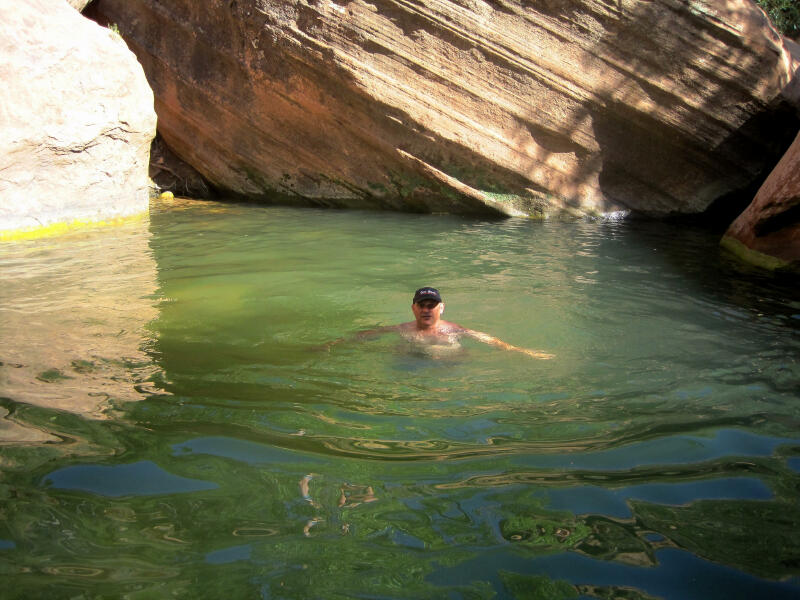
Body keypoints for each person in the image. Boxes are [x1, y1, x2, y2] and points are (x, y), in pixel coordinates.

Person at [325, 287, 553, 359]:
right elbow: (364, 335)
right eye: (421, 305)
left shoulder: (453, 330)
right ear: (414, 308)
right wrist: (332, 345)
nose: (426, 310)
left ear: (441, 308)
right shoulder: (402, 329)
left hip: (447, 370)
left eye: (431, 305)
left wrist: (524, 351)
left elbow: (489, 340)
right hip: (412, 366)